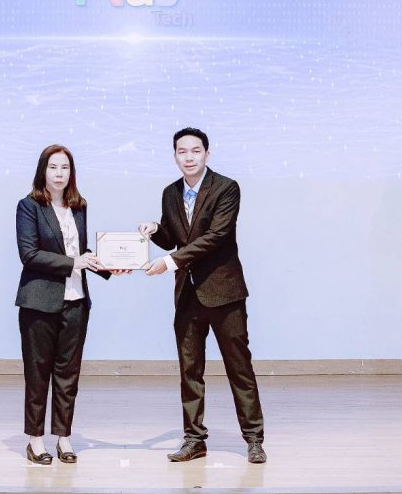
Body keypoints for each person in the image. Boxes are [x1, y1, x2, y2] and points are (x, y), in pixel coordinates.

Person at [139, 127, 266, 464]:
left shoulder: (226, 188)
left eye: (196, 151)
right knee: (190, 370)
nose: (189, 157)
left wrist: (169, 262)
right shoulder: (170, 192)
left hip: (224, 292)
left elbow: (216, 236)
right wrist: (155, 230)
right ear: (175, 156)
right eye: (182, 151)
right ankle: (194, 439)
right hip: (188, 294)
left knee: (239, 368)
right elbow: (173, 237)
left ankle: (254, 439)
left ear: (207, 154)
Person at [15, 144, 120, 465]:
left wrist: (108, 266)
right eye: (53, 167)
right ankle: (35, 440)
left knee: (68, 374)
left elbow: (81, 252)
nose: (59, 174)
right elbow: (29, 254)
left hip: (76, 302)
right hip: (39, 302)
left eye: (64, 168)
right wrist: (76, 261)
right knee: (38, 373)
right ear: (42, 171)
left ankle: (64, 437)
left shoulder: (79, 206)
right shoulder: (29, 206)